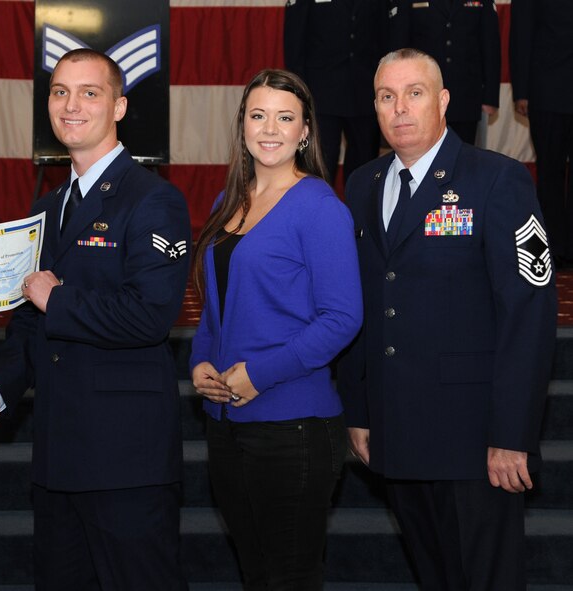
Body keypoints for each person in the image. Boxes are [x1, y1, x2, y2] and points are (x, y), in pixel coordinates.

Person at [0, 49, 191, 590]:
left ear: (120, 106)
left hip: (126, 461)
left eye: (90, 92)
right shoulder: (46, 206)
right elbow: (30, 326)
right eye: (60, 91)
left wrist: (58, 300)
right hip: (59, 456)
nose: (71, 105)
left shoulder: (154, 200)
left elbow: (150, 317)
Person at [339, 49, 557, 590]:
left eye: (414, 93)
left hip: (475, 438)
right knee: (434, 577)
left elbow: (528, 313)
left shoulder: (496, 180)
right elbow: (364, 303)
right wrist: (360, 409)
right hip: (396, 429)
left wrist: (512, 433)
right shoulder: (362, 185)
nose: (400, 109)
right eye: (386, 97)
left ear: (443, 102)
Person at [189, 68, 363, 590]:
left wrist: (259, 374)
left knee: (288, 579)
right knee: (256, 574)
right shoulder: (226, 204)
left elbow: (343, 318)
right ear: (241, 125)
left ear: (305, 130)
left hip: (294, 430)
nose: (270, 128)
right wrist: (199, 362)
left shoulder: (319, 207)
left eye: (285, 117)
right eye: (258, 115)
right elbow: (212, 306)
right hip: (225, 425)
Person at [283, 0, 387, 185]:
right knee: (319, 168)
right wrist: (299, 94)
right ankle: (319, 213)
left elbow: (386, 38)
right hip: (321, 95)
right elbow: (294, 42)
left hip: (365, 93)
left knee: (365, 171)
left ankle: (358, 214)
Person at [510, 0, 573, 268]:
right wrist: (522, 91)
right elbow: (522, 34)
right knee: (549, 174)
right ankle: (554, 247)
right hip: (547, 91)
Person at [388, 0, 500, 145]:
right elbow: (399, 47)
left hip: (466, 95)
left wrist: (490, 97)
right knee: (423, 155)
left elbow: (490, 46)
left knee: (463, 157)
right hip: (422, 96)